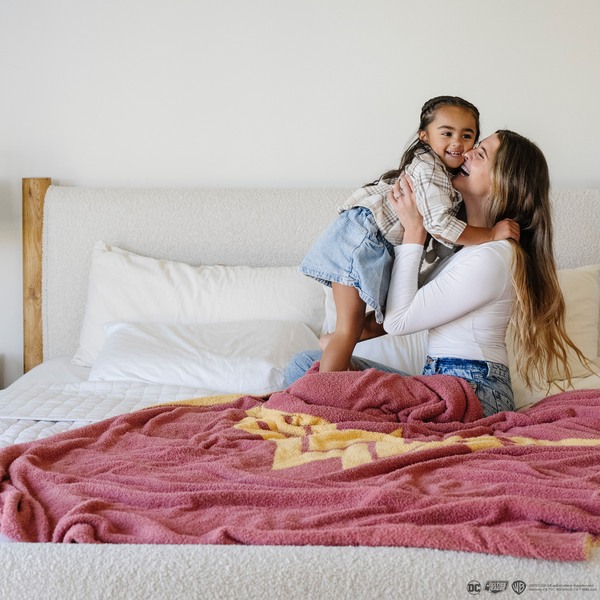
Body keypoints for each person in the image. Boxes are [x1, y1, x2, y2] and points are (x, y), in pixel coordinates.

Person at [286, 130, 587, 417]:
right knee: (308, 365)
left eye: (479, 153)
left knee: (316, 382)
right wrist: (346, 335)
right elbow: (404, 311)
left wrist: (414, 232)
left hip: (477, 391)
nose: (466, 153)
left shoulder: (495, 256)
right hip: (440, 383)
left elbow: (399, 320)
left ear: (502, 182)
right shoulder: (460, 247)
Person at [299, 96, 516, 376]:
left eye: (471, 140)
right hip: (360, 241)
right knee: (313, 356)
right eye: (447, 133)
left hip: (467, 378)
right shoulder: (431, 177)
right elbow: (438, 231)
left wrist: (419, 232)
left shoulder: (487, 252)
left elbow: (404, 313)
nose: (463, 148)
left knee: (330, 345)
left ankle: (328, 383)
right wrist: (489, 233)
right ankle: (334, 372)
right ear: (424, 136)